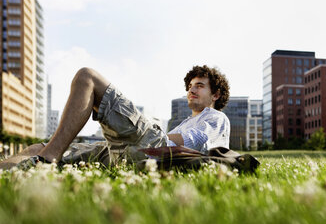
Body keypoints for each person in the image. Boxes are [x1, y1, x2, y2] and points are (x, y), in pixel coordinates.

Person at [0, 65, 230, 170]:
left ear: (216, 95)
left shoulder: (216, 117)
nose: (192, 90)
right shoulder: (186, 120)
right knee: (38, 148)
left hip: (153, 148)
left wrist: (151, 128)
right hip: (130, 153)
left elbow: (195, 142)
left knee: (86, 77)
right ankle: (40, 157)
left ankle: (46, 161)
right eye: (190, 86)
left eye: (199, 86)